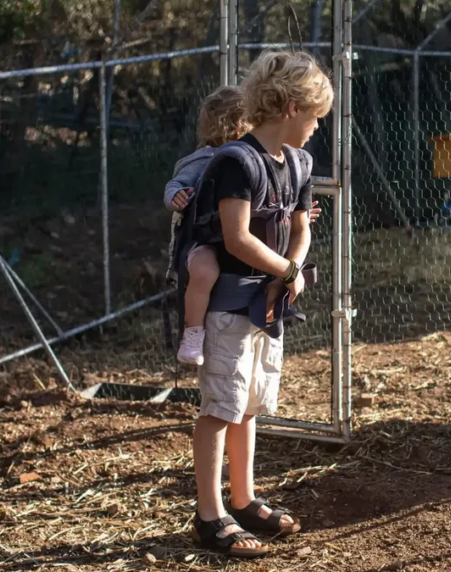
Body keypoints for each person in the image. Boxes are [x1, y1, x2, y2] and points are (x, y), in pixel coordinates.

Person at [187, 50, 332, 558]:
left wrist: (293, 266)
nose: (317, 127)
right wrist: (288, 271)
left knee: (249, 404)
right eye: (315, 116)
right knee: (220, 407)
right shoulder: (236, 162)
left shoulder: (299, 162)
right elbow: (236, 238)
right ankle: (209, 515)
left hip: (267, 306)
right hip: (230, 305)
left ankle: (243, 498)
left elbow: (301, 226)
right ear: (291, 107)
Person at [165, 86, 321, 367]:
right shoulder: (208, 159)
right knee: (204, 270)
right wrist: (174, 196)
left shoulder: (263, 161)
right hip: (206, 242)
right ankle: (192, 331)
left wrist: (289, 217)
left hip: (245, 264)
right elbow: (176, 184)